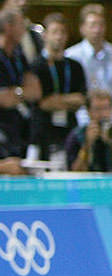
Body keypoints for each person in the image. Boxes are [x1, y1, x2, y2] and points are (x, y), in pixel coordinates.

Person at [66, 4, 112, 135]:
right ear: (82, 28)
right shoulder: (71, 56)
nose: (97, 30)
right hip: (84, 124)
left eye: (101, 25)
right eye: (92, 25)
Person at [30, 13, 86, 164]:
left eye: (63, 32)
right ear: (45, 35)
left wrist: (56, 100)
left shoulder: (75, 66)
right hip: (42, 134)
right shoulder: (36, 66)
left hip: (69, 132)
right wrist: (68, 100)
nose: (59, 37)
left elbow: (81, 99)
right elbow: (42, 103)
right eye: (55, 32)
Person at [65, 89, 112, 187]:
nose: (102, 114)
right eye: (97, 109)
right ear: (89, 111)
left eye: (105, 108)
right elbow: (75, 176)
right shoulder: (77, 136)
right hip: (87, 188)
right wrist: (86, 146)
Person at [0, 9, 42, 160]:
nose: (24, 29)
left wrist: (16, 93)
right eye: (20, 24)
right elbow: (4, 100)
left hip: (20, 130)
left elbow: (36, 91)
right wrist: (23, 92)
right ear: (8, 27)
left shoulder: (19, 55)